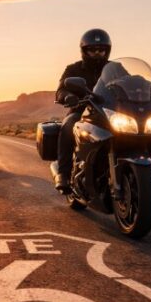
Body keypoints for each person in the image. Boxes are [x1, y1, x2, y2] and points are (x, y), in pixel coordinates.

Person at [53, 28, 112, 193]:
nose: (97, 53)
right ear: (84, 51)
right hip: (81, 111)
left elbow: (129, 81)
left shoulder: (114, 68)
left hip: (109, 113)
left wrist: (145, 88)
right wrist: (68, 96)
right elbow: (61, 90)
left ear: (107, 50)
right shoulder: (74, 69)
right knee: (68, 125)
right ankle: (63, 174)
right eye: (93, 50)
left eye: (101, 50)